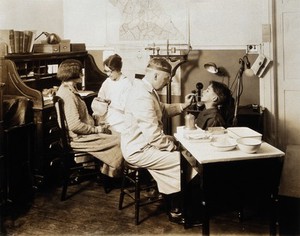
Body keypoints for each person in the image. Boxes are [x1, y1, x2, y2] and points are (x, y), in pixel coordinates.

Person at [120, 57, 194, 224]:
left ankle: (170, 197)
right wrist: (172, 146)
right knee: (182, 162)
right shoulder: (141, 96)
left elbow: (162, 109)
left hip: (144, 144)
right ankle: (175, 210)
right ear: (155, 75)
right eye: (166, 79)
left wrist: (183, 105)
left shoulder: (147, 90)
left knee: (181, 153)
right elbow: (154, 136)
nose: (167, 83)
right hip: (138, 150)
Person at [55, 59, 123, 179]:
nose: (82, 74)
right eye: (80, 72)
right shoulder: (68, 95)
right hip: (79, 139)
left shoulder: (69, 89)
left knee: (116, 134)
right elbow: (75, 125)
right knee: (119, 141)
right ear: (72, 74)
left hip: (83, 135)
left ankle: (108, 173)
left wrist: (97, 124)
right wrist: (97, 130)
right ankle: (110, 176)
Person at [91, 54, 132, 134]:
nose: (108, 74)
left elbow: (126, 106)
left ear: (118, 69)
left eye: (111, 71)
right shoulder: (107, 82)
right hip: (105, 116)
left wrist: (110, 102)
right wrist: (99, 104)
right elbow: (100, 97)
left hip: (120, 117)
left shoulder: (126, 84)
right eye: (106, 71)